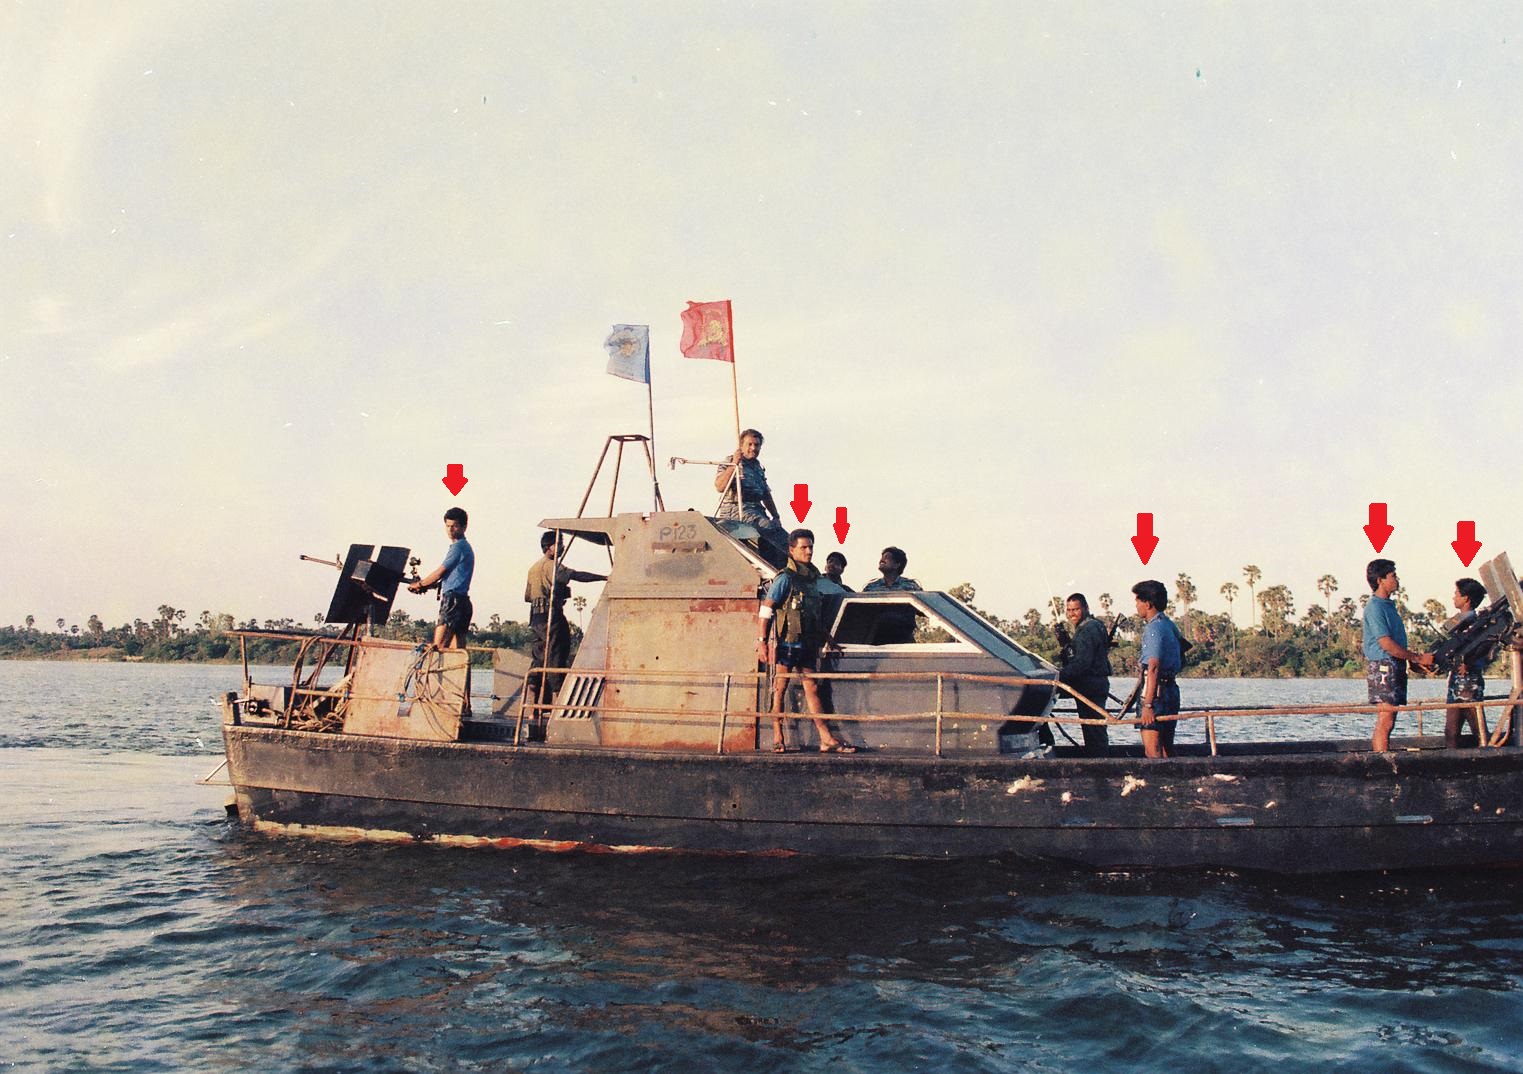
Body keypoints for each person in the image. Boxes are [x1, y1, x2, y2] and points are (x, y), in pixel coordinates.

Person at [757, 528, 855, 753]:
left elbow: (813, 614)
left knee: (812, 688)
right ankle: (778, 736)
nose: (809, 551)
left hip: (807, 643)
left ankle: (825, 738)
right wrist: (762, 642)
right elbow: (766, 609)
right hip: (787, 643)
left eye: (810, 547)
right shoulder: (785, 578)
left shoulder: (812, 580)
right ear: (792, 550)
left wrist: (828, 638)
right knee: (779, 688)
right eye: (803, 547)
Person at [525, 531, 608, 706]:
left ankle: (532, 704)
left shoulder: (533, 568)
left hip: (536, 617)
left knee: (540, 656)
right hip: (550, 616)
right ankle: (557, 699)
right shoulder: (553, 566)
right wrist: (603, 578)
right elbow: (577, 575)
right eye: (559, 544)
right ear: (549, 547)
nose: (562, 547)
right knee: (557, 653)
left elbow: (527, 596)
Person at [1362, 558, 1434, 752]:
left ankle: (1383, 756)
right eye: (1393, 576)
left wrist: (1412, 661)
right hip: (1384, 665)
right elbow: (1386, 643)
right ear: (1380, 580)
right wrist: (1417, 658)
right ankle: (1381, 760)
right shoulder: (1375, 607)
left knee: (1390, 718)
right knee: (1386, 718)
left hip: (1394, 665)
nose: (1397, 579)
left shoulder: (1388, 606)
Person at [714, 428, 787, 557]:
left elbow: (766, 494)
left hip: (758, 512)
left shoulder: (757, 467)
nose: (753, 448)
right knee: (768, 529)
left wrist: (776, 516)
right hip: (737, 511)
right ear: (741, 446)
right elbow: (720, 486)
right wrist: (734, 464)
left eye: (757, 445)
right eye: (750, 444)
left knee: (785, 537)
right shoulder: (731, 462)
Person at [408, 507, 473, 649]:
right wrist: (428, 584)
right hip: (463, 602)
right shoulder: (465, 547)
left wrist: (419, 584)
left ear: (464, 527)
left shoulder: (458, 547)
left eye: (454, 526)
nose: (450, 530)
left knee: (438, 648)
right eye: (448, 526)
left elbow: (439, 573)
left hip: (453, 601)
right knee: (457, 652)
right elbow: (450, 577)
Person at [1132, 579, 1181, 759]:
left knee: (1153, 750)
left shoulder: (1153, 628)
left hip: (1156, 694)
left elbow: (1153, 668)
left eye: (1138, 601)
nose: (1136, 606)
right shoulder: (1168, 624)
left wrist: (1148, 705)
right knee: (1166, 748)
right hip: (1170, 690)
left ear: (1148, 603)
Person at [1058, 593, 1111, 757]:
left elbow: (1081, 664)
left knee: (1093, 729)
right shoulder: (1095, 625)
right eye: (1069, 610)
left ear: (1085, 608)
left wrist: (1058, 676)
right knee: (1094, 728)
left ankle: (1099, 764)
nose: (1072, 614)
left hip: (1090, 685)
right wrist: (1067, 644)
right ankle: (1098, 760)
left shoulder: (1088, 629)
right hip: (1094, 684)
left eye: (1076, 609)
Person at [1444, 577, 1490, 748]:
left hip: (1469, 679)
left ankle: (1489, 758)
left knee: (1477, 729)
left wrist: (1468, 663)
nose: (1454, 597)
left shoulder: (1475, 623)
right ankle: (1451, 760)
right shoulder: (1459, 622)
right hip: (1456, 679)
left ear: (1466, 598)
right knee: (1451, 731)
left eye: (1457, 594)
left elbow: (1484, 646)